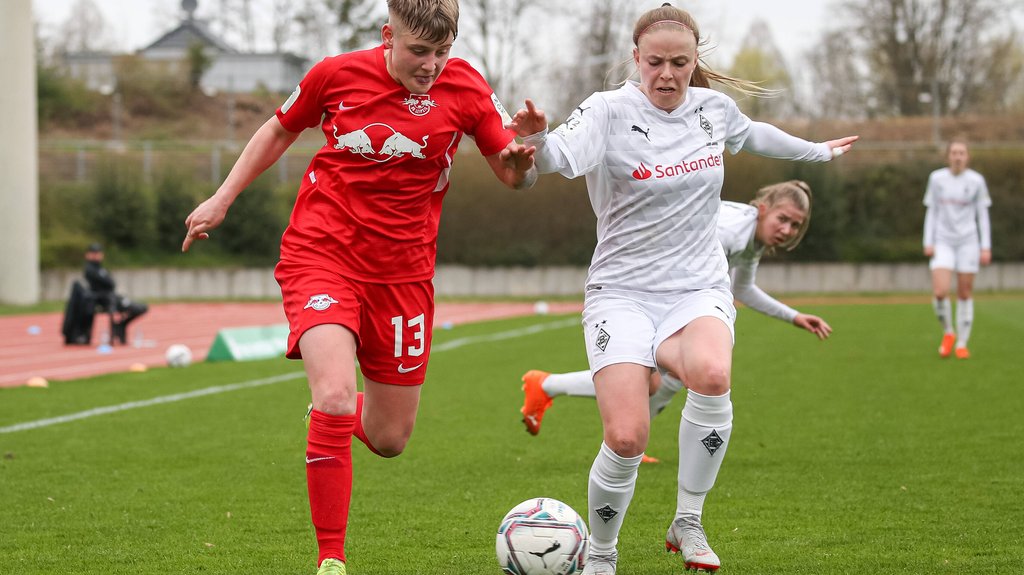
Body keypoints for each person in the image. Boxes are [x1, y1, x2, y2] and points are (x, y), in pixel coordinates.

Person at [180, 2, 537, 574]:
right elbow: (278, 129)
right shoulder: (335, 74)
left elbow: (513, 175)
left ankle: (333, 417)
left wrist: (523, 159)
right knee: (336, 396)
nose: (431, 65)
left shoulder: (467, 87)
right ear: (388, 35)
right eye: (419, 51)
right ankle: (332, 558)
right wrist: (222, 198)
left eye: (442, 52)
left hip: (404, 276)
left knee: (390, 437)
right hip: (321, 255)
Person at [506, 4, 857, 573]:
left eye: (680, 63)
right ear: (636, 59)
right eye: (655, 62)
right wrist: (536, 139)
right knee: (627, 437)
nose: (667, 74)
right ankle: (602, 554)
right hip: (621, 290)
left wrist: (816, 150)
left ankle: (687, 519)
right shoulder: (607, 111)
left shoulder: (712, 110)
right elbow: (554, 159)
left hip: (696, 286)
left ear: (695, 62)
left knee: (713, 376)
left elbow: (754, 134)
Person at [520, 181, 833, 455]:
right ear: (763, 209)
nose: (786, 230)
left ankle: (556, 391)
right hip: (647, 287)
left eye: (795, 226)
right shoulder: (730, 231)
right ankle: (554, 390)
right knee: (661, 375)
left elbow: (742, 288)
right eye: (783, 219)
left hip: (665, 290)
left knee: (657, 380)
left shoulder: (751, 236)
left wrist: (794, 316)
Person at [923, 138, 991, 359]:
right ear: (948, 156)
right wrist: (928, 241)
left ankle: (962, 343)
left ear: (967, 157)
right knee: (940, 292)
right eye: (954, 153)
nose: (958, 157)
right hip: (943, 241)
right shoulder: (936, 178)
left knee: (964, 292)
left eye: (962, 153)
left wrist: (985, 246)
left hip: (968, 242)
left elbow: (982, 214)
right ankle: (949, 332)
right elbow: (932, 211)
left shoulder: (977, 181)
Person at [82, 243, 148, 344]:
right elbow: (109, 283)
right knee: (133, 307)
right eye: (94, 253)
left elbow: (111, 283)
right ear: (88, 255)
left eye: (98, 253)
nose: (96, 255)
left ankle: (121, 325)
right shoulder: (90, 269)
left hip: (113, 298)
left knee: (142, 308)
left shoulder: (101, 269)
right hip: (105, 300)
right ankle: (118, 328)